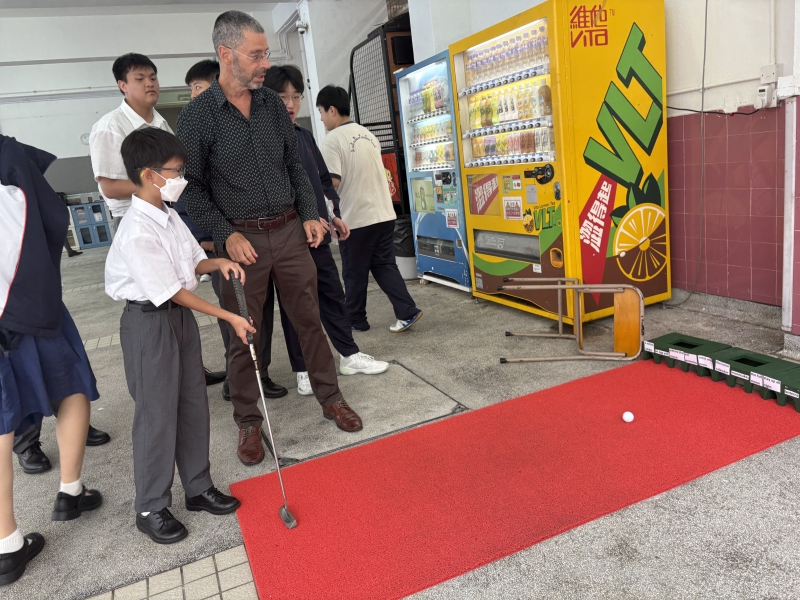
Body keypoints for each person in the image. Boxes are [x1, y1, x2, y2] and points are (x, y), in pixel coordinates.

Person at [178, 10, 364, 467]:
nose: (265, 64)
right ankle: (248, 421)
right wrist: (226, 234)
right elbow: (191, 189)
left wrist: (310, 214)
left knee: (309, 319)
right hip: (241, 242)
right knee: (244, 334)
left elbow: (295, 166)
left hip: (289, 233)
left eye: (266, 54)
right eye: (256, 55)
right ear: (226, 54)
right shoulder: (198, 117)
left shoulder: (270, 106)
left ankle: (331, 398)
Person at [105, 127, 251, 544]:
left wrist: (218, 262)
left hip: (179, 320)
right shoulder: (137, 229)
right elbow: (170, 290)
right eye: (174, 171)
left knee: (192, 404)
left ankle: (198, 487)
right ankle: (151, 506)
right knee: (156, 415)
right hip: (149, 324)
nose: (180, 178)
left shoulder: (168, 216)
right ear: (149, 175)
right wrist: (228, 315)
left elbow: (192, 263)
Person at [0, 135, 103, 586]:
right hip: (27, 304)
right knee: (71, 385)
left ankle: (6, 543)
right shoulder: (6, 153)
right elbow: (47, 216)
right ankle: (70, 491)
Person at [263, 65, 389, 394]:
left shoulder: (304, 136)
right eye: (282, 97)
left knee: (333, 293)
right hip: (287, 239)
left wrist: (332, 215)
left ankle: (349, 354)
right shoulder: (263, 141)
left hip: (318, 235)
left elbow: (322, 182)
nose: (290, 104)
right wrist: (303, 217)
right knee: (296, 304)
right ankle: (303, 368)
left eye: (296, 97)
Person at [176, 58, 280, 398]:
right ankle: (239, 383)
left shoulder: (243, 119)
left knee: (259, 312)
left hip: (248, 237)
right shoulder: (192, 125)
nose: (195, 96)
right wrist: (207, 238)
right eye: (191, 89)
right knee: (234, 315)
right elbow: (190, 193)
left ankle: (260, 373)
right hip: (219, 240)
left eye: (199, 87)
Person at [317, 85, 423, 333]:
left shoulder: (332, 140)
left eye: (321, 112)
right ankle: (407, 311)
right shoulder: (368, 135)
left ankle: (356, 320)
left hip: (357, 218)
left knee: (354, 272)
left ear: (332, 110)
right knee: (384, 265)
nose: (321, 118)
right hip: (384, 214)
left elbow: (332, 182)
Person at [89, 53, 172, 234]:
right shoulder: (110, 127)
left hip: (165, 212)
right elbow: (110, 188)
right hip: (133, 218)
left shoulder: (162, 124)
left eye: (153, 78)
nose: (149, 83)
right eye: (140, 79)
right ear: (123, 85)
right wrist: (162, 186)